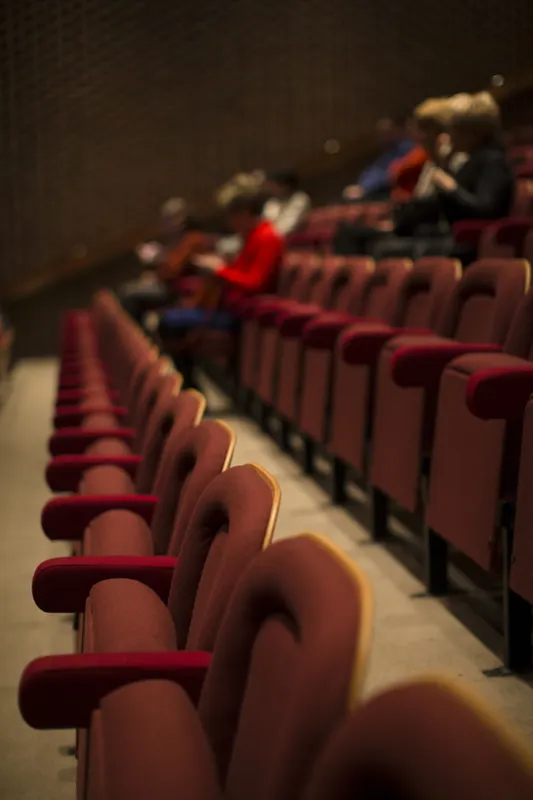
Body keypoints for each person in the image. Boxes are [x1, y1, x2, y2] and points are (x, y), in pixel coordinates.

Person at [158, 193, 284, 388]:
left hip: (242, 313)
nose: (230, 223)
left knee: (169, 322)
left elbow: (255, 283)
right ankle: (187, 383)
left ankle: (190, 386)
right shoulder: (252, 236)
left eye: (233, 217)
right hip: (229, 305)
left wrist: (219, 270)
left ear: (245, 214)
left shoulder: (267, 238)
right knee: (170, 318)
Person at [373, 91, 515, 263]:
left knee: (385, 250)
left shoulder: (493, 162)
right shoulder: (472, 160)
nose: (450, 137)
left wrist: (449, 186)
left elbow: (484, 212)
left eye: (455, 130)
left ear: (473, 132)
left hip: (471, 244)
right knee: (385, 244)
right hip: (453, 237)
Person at [118, 199, 206, 323]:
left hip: (182, 292)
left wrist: (156, 258)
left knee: (128, 293)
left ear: (180, 219)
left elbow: (172, 270)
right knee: (132, 288)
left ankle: (132, 337)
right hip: (172, 286)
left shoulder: (192, 239)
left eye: (167, 219)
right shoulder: (177, 239)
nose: (163, 224)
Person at [342, 115, 416, 201]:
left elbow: (392, 173)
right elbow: (376, 169)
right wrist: (361, 186)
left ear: (397, 130)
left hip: (392, 192)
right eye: (381, 133)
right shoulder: (387, 152)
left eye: (387, 132)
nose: (383, 137)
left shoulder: (407, 148)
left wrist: (365, 188)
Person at [262, 169, 311, 235]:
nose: (270, 189)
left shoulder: (300, 199)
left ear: (286, 186)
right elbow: (265, 224)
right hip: (271, 239)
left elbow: (287, 226)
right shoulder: (272, 202)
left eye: (274, 185)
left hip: (294, 240)